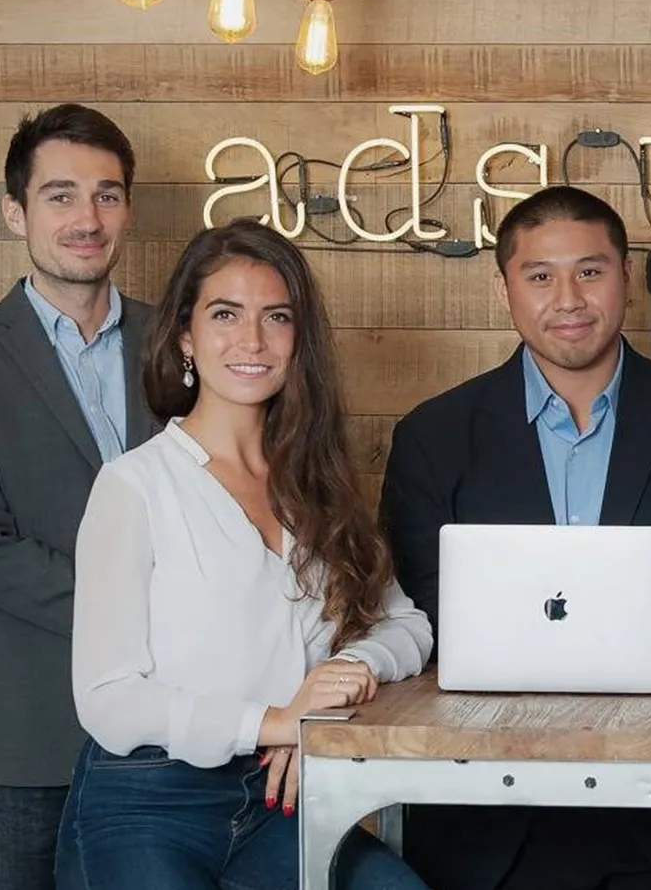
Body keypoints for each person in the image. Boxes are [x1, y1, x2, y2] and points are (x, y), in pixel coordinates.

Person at [380, 185, 651, 890]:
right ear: (504, 289)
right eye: (540, 276)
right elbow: (419, 607)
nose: (568, 299)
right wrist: (614, 613)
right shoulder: (432, 436)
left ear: (626, 277)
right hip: (484, 825)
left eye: (590, 271)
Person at [55, 219, 433, 890]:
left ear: (298, 340)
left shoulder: (319, 487)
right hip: (146, 800)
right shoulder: (133, 486)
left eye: (276, 317)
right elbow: (109, 699)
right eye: (225, 314)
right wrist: (275, 722)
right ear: (185, 335)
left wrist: (345, 672)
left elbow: (407, 626)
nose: (252, 340)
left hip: (279, 800)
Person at [0, 103, 156, 890]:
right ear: (14, 212)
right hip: (29, 743)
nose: (87, 219)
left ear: (127, 210)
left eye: (107, 195)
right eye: (60, 195)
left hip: (174, 737)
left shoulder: (184, 345)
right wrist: (148, 606)